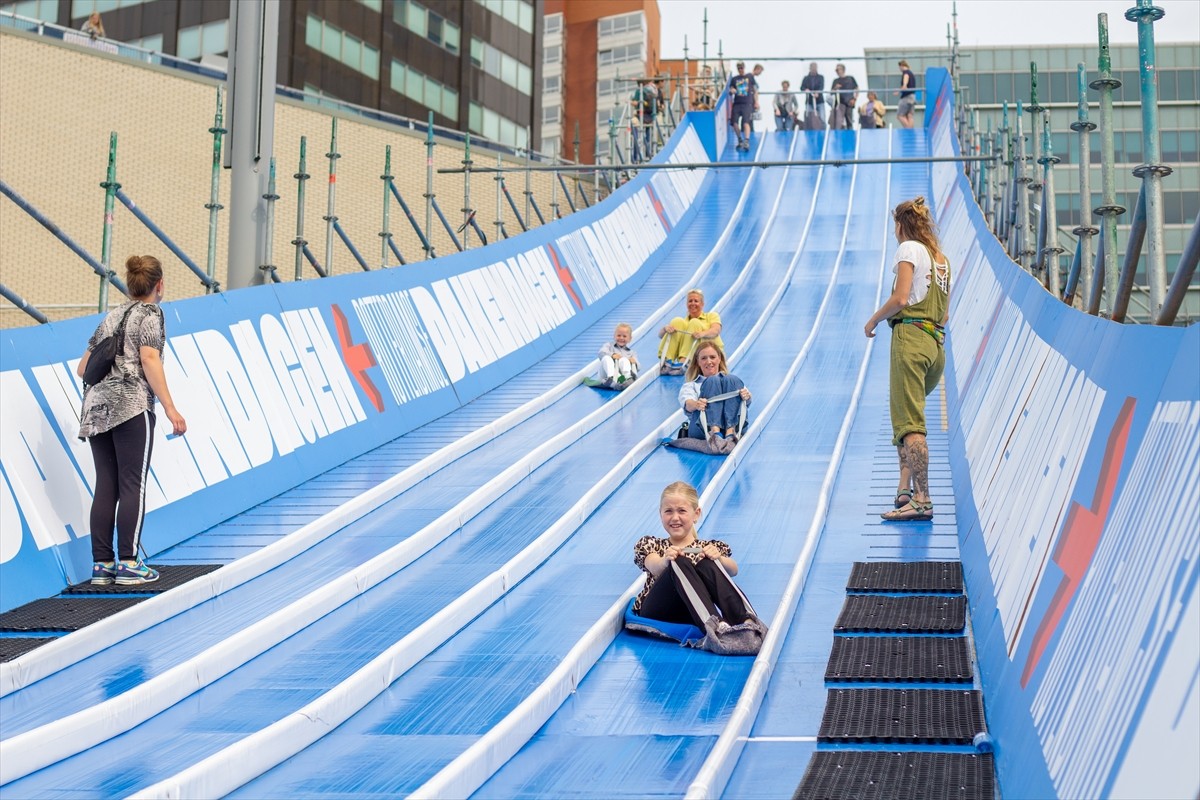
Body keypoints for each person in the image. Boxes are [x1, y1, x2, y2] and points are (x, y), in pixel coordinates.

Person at [77, 255, 187, 585]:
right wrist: (170, 407)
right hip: (130, 407)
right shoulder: (151, 314)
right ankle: (128, 561)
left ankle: (102, 565)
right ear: (159, 285)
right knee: (131, 484)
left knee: (105, 485)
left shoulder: (113, 315)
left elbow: (83, 368)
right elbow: (149, 358)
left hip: (96, 408)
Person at [863, 197, 950, 522]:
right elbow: (945, 313)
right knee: (906, 416)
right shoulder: (941, 259)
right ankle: (904, 487)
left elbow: (901, 298)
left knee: (910, 424)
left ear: (901, 225)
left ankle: (922, 499)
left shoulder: (908, 249)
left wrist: (873, 320)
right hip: (934, 343)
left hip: (910, 339)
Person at [632, 481, 766, 654]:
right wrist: (665, 561)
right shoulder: (652, 544)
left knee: (708, 562)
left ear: (696, 514)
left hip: (690, 611)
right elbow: (654, 566)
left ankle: (747, 621)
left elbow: (733, 570)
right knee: (679, 562)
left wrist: (718, 558)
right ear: (660, 514)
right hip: (657, 610)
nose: (675, 518)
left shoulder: (707, 546)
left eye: (682, 511)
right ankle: (716, 629)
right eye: (668, 511)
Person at [679, 341, 752, 444]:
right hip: (703, 429)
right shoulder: (691, 385)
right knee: (712, 381)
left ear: (719, 359)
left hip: (734, 426)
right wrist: (697, 404)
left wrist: (747, 396)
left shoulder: (731, 382)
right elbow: (687, 404)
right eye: (704, 358)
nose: (709, 362)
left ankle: (730, 431)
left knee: (730, 378)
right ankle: (715, 432)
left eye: (712, 357)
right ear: (698, 362)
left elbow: (746, 402)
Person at [658, 288, 723, 372]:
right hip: (695, 354)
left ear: (702, 304)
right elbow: (660, 336)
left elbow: (716, 330)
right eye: (690, 301)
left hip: (711, 353)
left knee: (694, 323)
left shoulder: (711, 316)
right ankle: (667, 361)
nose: (693, 303)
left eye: (696, 301)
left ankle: (684, 361)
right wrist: (665, 329)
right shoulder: (683, 322)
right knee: (677, 321)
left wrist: (702, 333)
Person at [595, 322, 639, 389]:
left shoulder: (631, 353)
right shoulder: (609, 345)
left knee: (624, 360)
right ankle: (612, 378)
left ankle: (627, 379)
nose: (621, 338)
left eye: (624, 336)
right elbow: (601, 352)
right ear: (614, 336)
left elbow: (638, 367)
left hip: (621, 378)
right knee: (606, 358)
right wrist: (612, 355)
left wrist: (634, 362)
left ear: (630, 339)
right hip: (605, 376)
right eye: (618, 335)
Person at [725, 61, 758, 152]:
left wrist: (756, 102)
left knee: (746, 122)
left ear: (744, 67)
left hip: (747, 103)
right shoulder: (734, 79)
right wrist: (732, 90)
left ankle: (746, 140)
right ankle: (740, 139)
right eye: (739, 68)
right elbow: (731, 89)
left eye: (742, 67)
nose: (741, 69)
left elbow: (755, 90)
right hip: (737, 103)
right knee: (734, 122)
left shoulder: (749, 77)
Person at [631, 78, 657, 162]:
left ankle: (635, 157)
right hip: (650, 117)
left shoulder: (639, 91)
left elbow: (635, 103)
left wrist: (631, 102)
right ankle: (648, 154)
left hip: (641, 116)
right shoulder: (652, 91)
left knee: (635, 132)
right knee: (648, 136)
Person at [829, 63, 858, 130]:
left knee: (849, 122)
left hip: (849, 103)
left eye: (838, 69)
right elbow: (831, 92)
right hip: (839, 104)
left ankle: (850, 137)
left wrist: (854, 99)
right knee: (838, 123)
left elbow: (857, 89)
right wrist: (835, 88)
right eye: (836, 70)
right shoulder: (835, 81)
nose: (837, 71)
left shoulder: (850, 78)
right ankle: (838, 137)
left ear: (843, 70)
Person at [800, 62, 825, 130]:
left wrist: (818, 92)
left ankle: (823, 132)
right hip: (809, 101)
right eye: (812, 67)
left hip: (819, 101)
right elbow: (801, 87)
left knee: (822, 118)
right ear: (810, 68)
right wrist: (806, 89)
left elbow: (821, 87)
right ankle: (810, 132)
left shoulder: (821, 77)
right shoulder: (806, 78)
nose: (814, 69)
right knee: (809, 118)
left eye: (815, 67)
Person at [896, 60, 917, 129]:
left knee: (900, 115)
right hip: (913, 96)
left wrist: (902, 88)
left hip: (906, 97)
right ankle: (911, 131)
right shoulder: (911, 73)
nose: (899, 69)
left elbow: (905, 81)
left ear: (901, 66)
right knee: (909, 115)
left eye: (899, 68)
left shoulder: (905, 73)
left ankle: (908, 129)